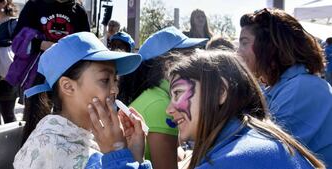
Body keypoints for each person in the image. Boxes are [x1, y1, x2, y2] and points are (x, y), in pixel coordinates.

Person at [89, 50, 326, 169]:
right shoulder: (250, 138)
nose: (170, 109)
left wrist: (117, 153)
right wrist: (137, 157)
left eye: (178, 94)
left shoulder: (235, 159)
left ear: (221, 92)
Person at [12, 32, 142, 169]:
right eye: (105, 80)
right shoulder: (58, 150)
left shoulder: (82, 138)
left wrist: (135, 156)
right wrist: (117, 153)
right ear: (68, 86)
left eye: (115, 80)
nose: (115, 90)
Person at [238, 8, 332, 166]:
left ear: (269, 45)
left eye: (244, 42)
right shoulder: (285, 85)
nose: (238, 51)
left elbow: (262, 151)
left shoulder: (302, 88)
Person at [117, 26, 207, 169]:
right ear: (168, 66)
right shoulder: (162, 104)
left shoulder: (154, 95)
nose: (196, 61)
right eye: (190, 55)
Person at [6, 0, 90, 94]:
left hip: (67, 75)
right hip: (37, 76)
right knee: (36, 107)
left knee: (64, 108)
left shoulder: (79, 11)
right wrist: (41, 44)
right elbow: (17, 40)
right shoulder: (34, 5)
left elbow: (86, 46)